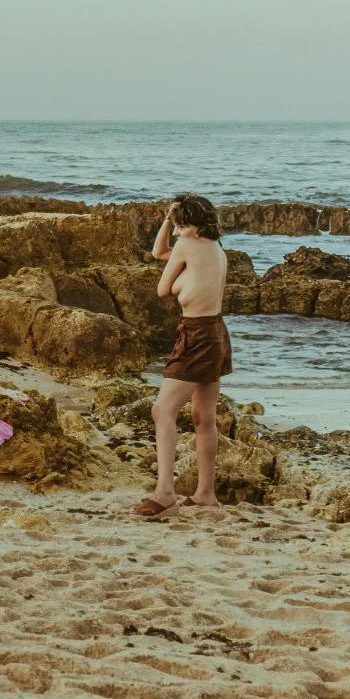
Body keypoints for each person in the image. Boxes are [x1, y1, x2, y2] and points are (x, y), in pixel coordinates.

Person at [133, 194, 232, 518]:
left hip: (196, 334)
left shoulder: (188, 247)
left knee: (163, 410)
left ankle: (164, 492)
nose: (175, 232)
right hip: (216, 332)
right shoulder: (215, 248)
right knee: (204, 417)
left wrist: (176, 283)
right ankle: (205, 493)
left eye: (179, 226)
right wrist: (167, 219)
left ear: (194, 225)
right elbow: (159, 252)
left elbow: (162, 289)